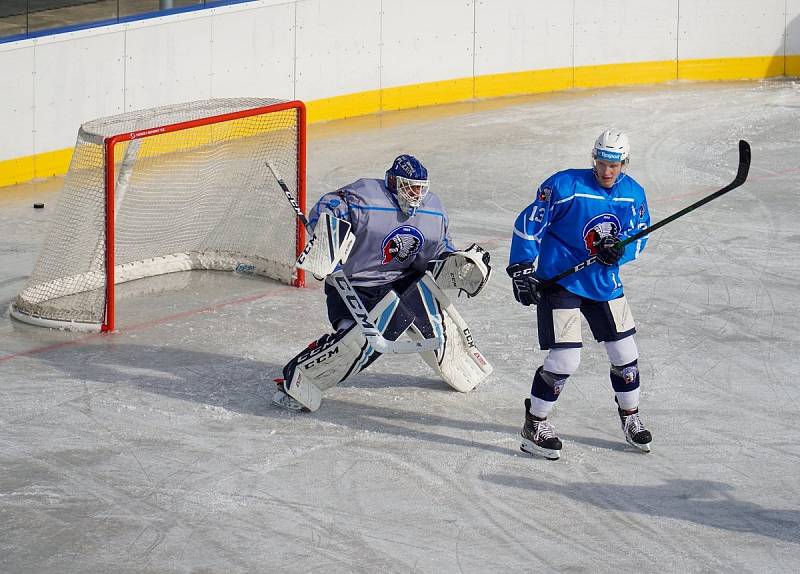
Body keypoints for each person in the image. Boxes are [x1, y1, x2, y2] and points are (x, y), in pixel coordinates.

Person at [273, 154, 492, 411]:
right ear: (393, 182)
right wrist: (326, 238)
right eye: (409, 187)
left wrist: (455, 261)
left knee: (436, 323)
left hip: (400, 281)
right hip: (354, 284)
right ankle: (298, 380)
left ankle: (460, 365)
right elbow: (328, 205)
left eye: (420, 188)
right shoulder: (365, 197)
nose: (415, 194)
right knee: (354, 343)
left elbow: (439, 248)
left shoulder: (432, 210)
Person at [506, 129, 652, 460]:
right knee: (565, 360)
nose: (606, 171)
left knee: (625, 353)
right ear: (594, 158)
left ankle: (630, 417)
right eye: (601, 163)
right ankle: (535, 423)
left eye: (614, 165)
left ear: (624, 163)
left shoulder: (633, 194)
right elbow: (529, 224)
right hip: (561, 283)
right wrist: (521, 268)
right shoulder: (564, 186)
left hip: (603, 283)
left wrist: (621, 250)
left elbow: (640, 234)